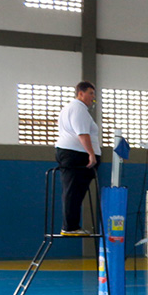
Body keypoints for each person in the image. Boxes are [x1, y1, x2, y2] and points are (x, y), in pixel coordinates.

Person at [54, 81, 100, 236]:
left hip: (71, 154)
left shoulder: (69, 109)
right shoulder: (78, 109)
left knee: (74, 191)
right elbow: (82, 133)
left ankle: (71, 225)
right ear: (81, 93)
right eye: (90, 93)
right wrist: (91, 154)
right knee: (73, 191)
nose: (93, 97)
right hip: (76, 155)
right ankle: (70, 227)